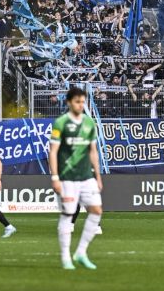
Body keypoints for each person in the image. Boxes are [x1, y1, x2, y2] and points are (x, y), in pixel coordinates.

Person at [49, 86, 103, 270]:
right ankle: (65, 257)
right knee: (68, 214)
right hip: (67, 177)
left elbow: (93, 151)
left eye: (83, 101)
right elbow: (53, 152)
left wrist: (98, 175)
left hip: (86, 176)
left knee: (96, 211)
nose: (81, 105)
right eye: (77, 101)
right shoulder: (61, 123)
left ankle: (80, 252)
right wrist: (55, 177)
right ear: (69, 102)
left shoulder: (89, 123)